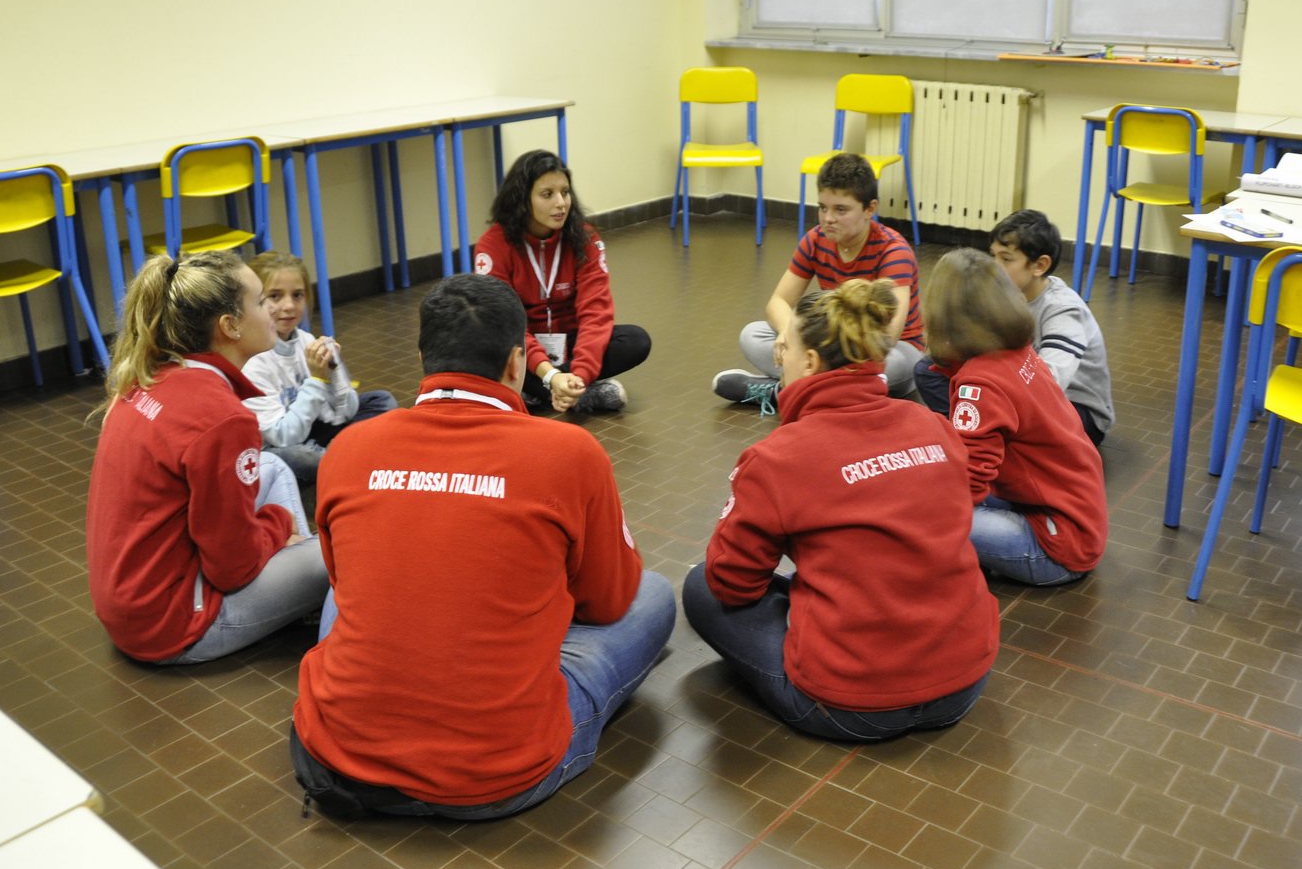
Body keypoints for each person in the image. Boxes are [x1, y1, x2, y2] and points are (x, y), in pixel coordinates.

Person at [291, 274, 675, 819]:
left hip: (339, 758)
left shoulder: (349, 448)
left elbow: (341, 580)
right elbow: (606, 603)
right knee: (654, 594)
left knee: (355, 590)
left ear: (424, 355)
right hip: (498, 776)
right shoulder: (571, 452)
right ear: (517, 363)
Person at [684, 279, 997, 741]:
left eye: (783, 348)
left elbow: (732, 584)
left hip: (855, 707)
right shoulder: (933, 425)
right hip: (966, 682)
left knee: (700, 587)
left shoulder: (776, 458)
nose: (778, 358)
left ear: (809, 361)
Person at [85, 252, 329, 664]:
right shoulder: (222, 418)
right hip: (174, 627)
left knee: (274, 466)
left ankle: (296, 585)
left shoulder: (155, 373)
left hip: (132, 607)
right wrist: (277, 526)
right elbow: (232, 568)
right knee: (341, 549)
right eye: (259, 301)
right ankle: (303, 586)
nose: (273, 310)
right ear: (229, 326)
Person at [922, 248, 1108, 586]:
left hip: (1056, 548)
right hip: (1078, 519)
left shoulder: (979, 383)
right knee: (928, 482)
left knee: (921, 517)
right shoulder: (1017, 351)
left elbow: (970, 481)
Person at [713, 153, 923, 411]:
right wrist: (788, 332)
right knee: (752, 334)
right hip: (832, 343)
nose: (828, 218)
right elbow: (778, 302)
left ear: (870, 209)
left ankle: (782, 391)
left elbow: (888, 335)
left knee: (894, 366)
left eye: (841, 210)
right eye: (823, 208)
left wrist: (812, 353)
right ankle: (828, 391)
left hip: (887, 350)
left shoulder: (894, 251)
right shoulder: (815, 239)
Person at [914, 210, 1114, 445]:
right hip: (1022, 392)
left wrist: (995, 392)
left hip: (1076, 410)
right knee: (929, 369)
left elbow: (1050, 383)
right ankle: (973, 437)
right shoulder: (1001, 295)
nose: (995, 267)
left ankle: (992, 441)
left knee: (993, 398)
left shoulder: (1063, 309)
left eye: (1006, 259)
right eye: (993, 257)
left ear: (1040, 265)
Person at [473, 149, 650, 414]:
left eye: (565, 192)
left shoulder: (585, 238)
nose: (561, 203)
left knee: (635, 340)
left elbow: (596, 313)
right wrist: (550, 375)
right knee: (483, 346)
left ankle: (545, 392)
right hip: (520, 344)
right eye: (547, 194)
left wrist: (578, 374)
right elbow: (506, 324)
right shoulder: (493, 245)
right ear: (522, 199)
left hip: (568, 345)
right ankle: (574, 394)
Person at [241, 252, 396, 483]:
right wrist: (316, 381)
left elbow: (347, 411)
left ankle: (341, 456)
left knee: (382, 402)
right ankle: (351, 458)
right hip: (278, 446)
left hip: (310, 428)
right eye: (275, 296)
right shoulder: (253, 360)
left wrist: (335, 372)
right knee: (302, 457)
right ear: (256, 301)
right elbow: (283, 436)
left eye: (297, 295)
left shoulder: (305, 340)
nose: (289, 306)